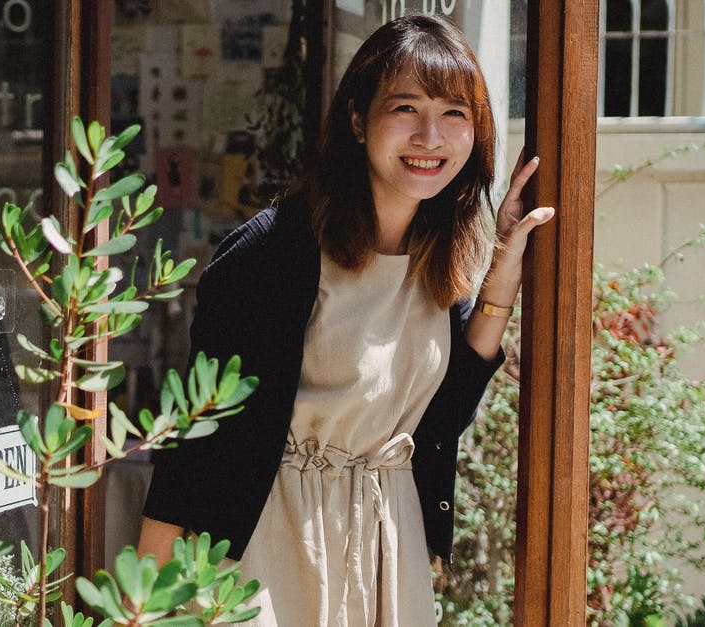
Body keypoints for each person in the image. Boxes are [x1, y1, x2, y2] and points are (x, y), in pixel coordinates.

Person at [137, 14, 555, 626]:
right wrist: (142, 603)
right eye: (406, 108)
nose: (430, 137)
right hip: (271, 540)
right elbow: (198, 438)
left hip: (387, 544)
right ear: (358, 119)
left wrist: (503, 267)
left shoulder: (443, 258)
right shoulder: (274, 252)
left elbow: (439, 419)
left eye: (454, 114)